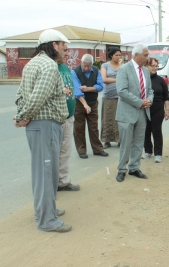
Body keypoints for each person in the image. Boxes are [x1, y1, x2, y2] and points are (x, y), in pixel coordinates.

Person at [14, 29, 72, 233]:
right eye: (63, 45)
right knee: (47, 174)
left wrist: (22, 113)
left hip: (41, 125)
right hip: (45, 125)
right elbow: (38, 96)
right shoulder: (48, 65)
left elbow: (20, 94)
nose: (66, 49)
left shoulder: (33, 63)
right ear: (53, 45)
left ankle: (47, 210)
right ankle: (47, 220)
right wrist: (23, 116)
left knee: (45, 173)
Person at [115, 43, 153, 182]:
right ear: (136, 55)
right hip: (127, 114)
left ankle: (134, 167)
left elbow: (149, 90)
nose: (147, 58)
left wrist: (149, 99)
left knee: (138, 142)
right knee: (125, 144)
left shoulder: (146, 71)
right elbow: (121, 91)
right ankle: (121, 169)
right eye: (145, 55)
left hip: (142, 113)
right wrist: (140, 102)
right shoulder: (124, 69)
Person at [72, 54, 108, 159]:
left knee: (94, 127)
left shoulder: (96, 71)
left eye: (88, 66)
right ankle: (81, 150)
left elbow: (100, 86)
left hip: (93, 102)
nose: (86, 68)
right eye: (84, 66)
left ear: (91, 64)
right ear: (81, 63)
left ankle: (98, 149)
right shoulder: (75, 72)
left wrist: (88, 89)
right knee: (79, 127)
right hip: (79, 103)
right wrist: (84, 104)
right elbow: (77, 91)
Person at [57, 46, 80, 191]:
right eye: (64, 50)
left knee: (65, 152)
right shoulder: (50, 67)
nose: (67, 53)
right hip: (56, 118)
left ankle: (63, 181)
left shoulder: (64, 67)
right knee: (54, 153)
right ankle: (52, 183)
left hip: (69, 116)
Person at [142, 57, 169, 163]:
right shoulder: (143, 80)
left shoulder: (160, 80)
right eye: (152, 66)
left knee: (156, 131)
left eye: (156, 66)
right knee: (146, 130)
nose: (154, 68)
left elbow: (166, 97)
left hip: (158, 109)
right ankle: (148, 151)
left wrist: (167, 110)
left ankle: (158, 154)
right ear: (146, 66)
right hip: (145, 109)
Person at [100, 47, 122, 149]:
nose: (118, 57)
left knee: (119, 119)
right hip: (108, 96)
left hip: (120, 96)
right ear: (111, 55)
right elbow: (104, 79)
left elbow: (125, 77)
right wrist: (117, 79)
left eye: (119, 55)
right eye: (116, 55)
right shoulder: (105, 66)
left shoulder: (122, 66)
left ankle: (119, 140)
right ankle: (106, 140)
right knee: (108, 118)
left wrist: (121, 66)